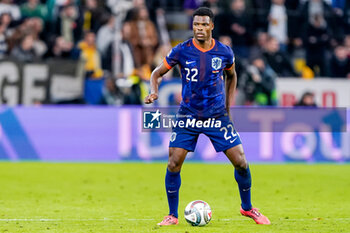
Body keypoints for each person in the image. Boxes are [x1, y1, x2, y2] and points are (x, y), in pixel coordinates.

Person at [144, 7, 270, 226]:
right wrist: (153, 91)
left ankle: (248, 208)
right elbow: (157, 73)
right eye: (195, 24)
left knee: (241, 161)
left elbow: (231, 76)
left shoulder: (224, 52)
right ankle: (172, 215)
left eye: (203, 24)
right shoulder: (181, 51)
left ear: (211, 26)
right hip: (188, 116)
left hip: (217, 116)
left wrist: (229, 109)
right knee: (173, 163)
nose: (199, 28)